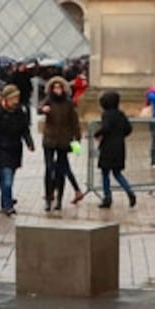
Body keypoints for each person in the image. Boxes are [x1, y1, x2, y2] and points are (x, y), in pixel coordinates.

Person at [39, 76, 85, 211]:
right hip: (49, 139)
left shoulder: (68, 103)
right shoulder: (48, 101)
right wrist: (43, 110)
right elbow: (39, 108)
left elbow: (74, 122)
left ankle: (59, 198)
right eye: (55, 87)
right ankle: (48, 197)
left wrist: (77, 138)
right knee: (48, 169)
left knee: (61, 170)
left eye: (59, 87)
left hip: (64, 139)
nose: (57, 90)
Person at [0, 84, 34, 216]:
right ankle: (8, 205)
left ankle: (5, 201)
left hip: (15, 149)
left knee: (9, 178)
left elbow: (25, 129)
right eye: (13, 98)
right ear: (6, 99)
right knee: (6, 179)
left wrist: (29, 142)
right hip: (2, 149)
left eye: (17, 98)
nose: (16, 101)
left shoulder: (19, 112)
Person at [95, 90, 137, 209]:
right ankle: (129, 191)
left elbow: (106, 127)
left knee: (105, 173)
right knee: (117, 173)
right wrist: (120, 135)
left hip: (108, 146)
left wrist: (97, 133)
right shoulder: (121, 114)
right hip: (120, 146)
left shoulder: (106, 114)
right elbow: (128, 128)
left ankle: (107, 197)